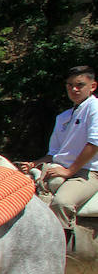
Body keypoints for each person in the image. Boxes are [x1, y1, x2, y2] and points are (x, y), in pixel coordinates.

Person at [18, 65, 98, 239]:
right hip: (58, 168)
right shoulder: (63, 117)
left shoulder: (95, 108)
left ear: (93, 86)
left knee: (62, 202)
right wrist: (34, 164)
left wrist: (69, 171)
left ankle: (60, 253)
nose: (74, 89)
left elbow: (94, 144)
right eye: (70, 85)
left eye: (80, 85)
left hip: (88, 172)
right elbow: (54, 153)